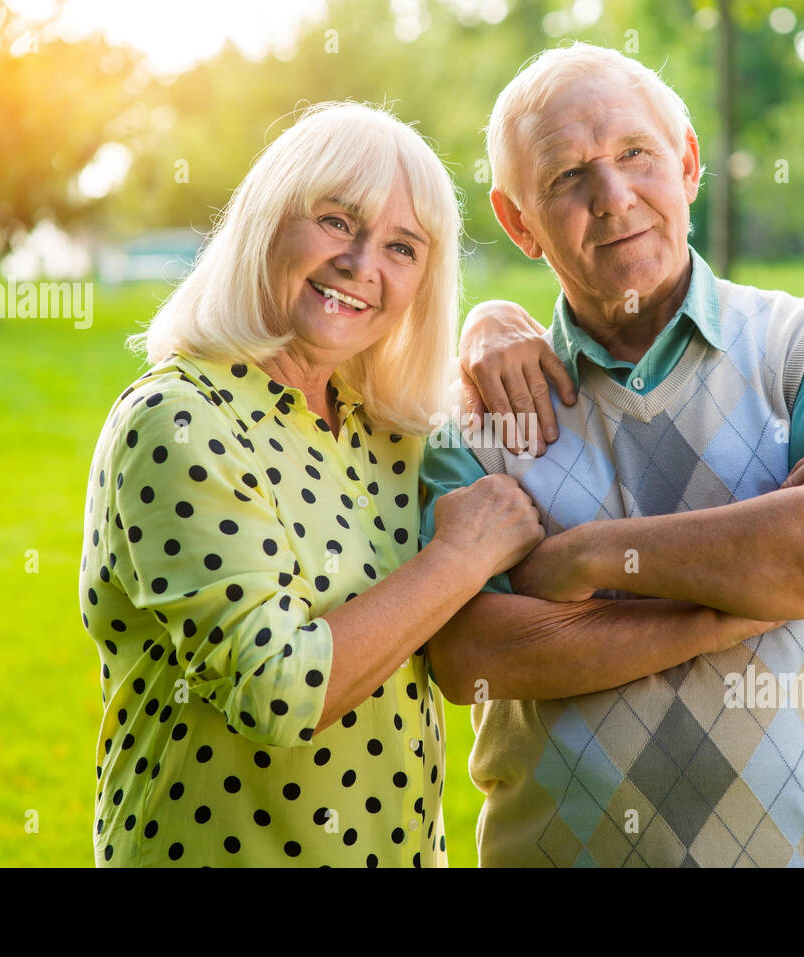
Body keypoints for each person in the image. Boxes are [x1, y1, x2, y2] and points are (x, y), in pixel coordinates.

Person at [419, 43, 804, 867]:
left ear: (688, 163)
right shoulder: (477, 407)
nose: (614, 197)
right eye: (566, 177)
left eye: (636, 154)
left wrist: (585, 558)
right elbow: (473, 654)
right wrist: (741, 604)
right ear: (518, 222)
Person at [77, 101, 555, 867]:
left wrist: (490, 320)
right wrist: (458, 559)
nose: (363, 263)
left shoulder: (389, 429)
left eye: (402, 247)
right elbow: (277, 689)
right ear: (270, 221)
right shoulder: (177, 420)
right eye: (338, 220)